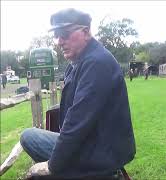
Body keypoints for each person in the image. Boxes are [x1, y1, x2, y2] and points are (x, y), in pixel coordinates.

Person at [20, 8, 136, 179]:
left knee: (32, 147)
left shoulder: (97, 63)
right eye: (56, 35)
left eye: (64, 34)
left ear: (86, 32)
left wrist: (51, 166)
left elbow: (77, 121)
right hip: (94, 142)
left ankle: (103, 175)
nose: (59, 41)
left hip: (103, 153)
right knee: (29, 137)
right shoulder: (79, 62)